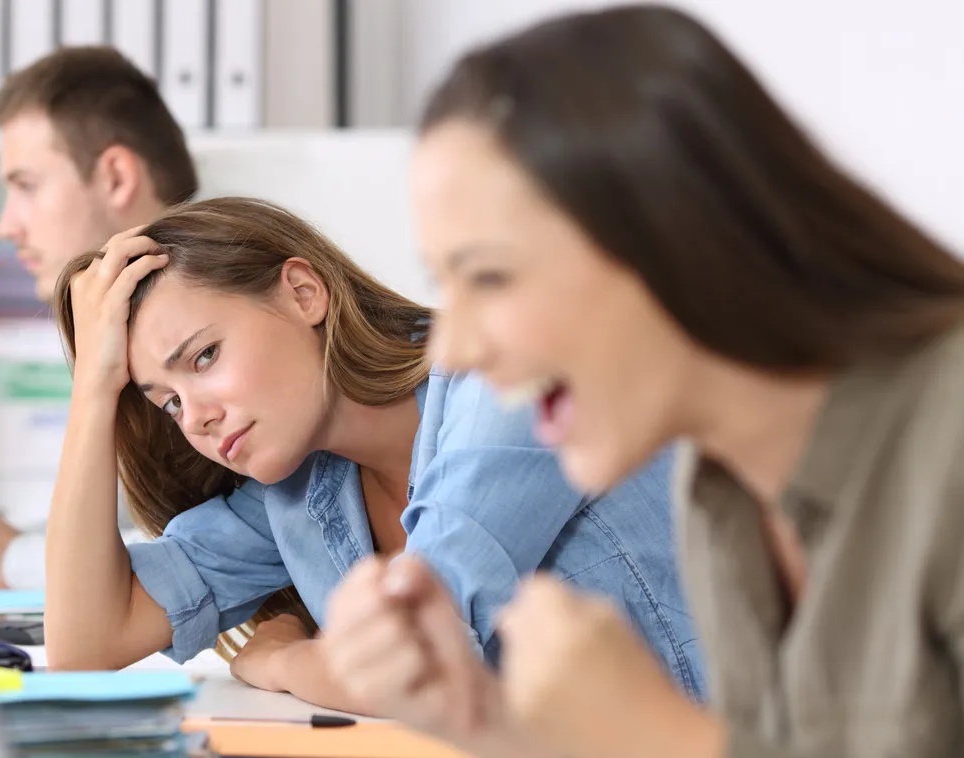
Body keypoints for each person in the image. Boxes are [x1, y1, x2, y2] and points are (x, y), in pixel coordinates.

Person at [320, 4, 964, 757]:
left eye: (489, 276)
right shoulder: (717, 494)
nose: (452, 353)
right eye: (443, 283)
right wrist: (491, 729)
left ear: (678, 239)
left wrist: (662, 739)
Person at [43, 195, 703, 714]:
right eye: (167, 403)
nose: (197, 417)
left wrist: (282, 661)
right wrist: (93, 393)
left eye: (204, 357)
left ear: (303, 293)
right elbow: (86, 646)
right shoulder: (299, 492)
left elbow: (419, 664)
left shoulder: (504, 381)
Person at [0, 46, 198, 589]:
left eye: (27, 187)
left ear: (115, 177)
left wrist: (16, 557)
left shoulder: (208, 331)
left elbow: (207, 550)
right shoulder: (124, 323)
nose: (7, 225)